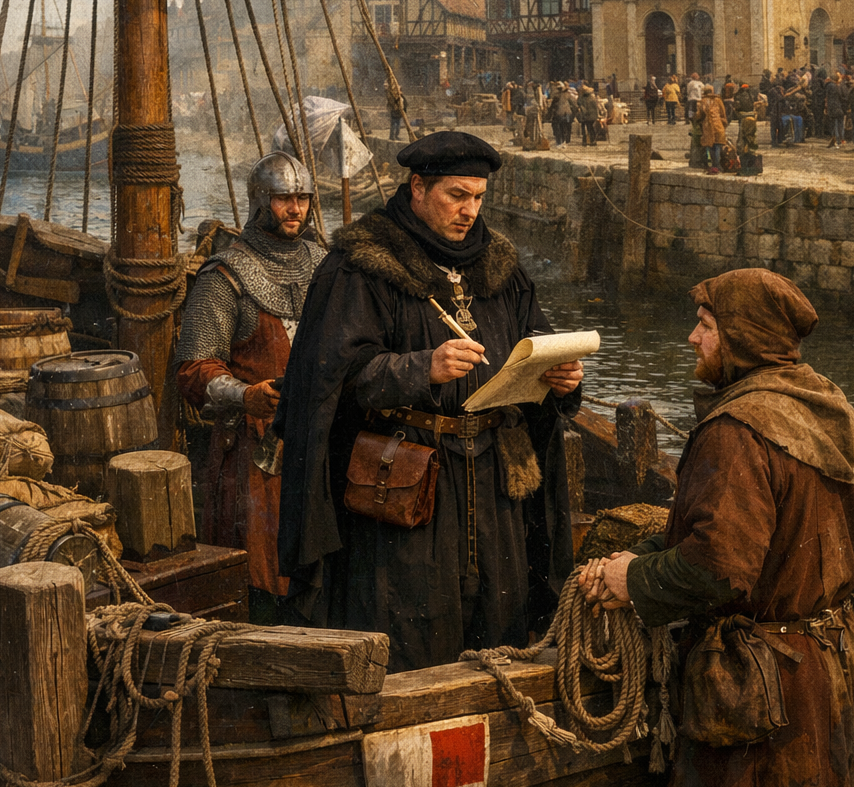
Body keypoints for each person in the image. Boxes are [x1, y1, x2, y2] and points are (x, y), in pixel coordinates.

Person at [579, 269, 854, 787]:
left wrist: (630, 577)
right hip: (832, 677)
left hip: (761, 699)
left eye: (706, 324)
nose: (692, 336)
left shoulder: (736, 429)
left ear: (741, 337)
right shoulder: (835, 409)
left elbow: (716, 570)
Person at [275, 132, 583, 673]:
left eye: (479, 198)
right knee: (409, 627)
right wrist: (422, 367)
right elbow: (330, 379)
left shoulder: (501, 267)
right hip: (406, 481)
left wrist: (562, 379)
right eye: (456, 196)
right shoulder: (363, 266)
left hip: (493, 485)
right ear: (418, 188)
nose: (470, 211)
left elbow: (537, 344)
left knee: (499, 621)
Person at [176, 153, 327, 620]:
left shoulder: (325, 265)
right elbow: (193, 369)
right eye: (285, 198)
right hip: (255, 451)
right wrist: (245, 395)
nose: (295, 209)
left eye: (302, 198)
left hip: (320, 441)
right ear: (262, 200)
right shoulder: (227, 275)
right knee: (261, 575)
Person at [699, 85, 727, 172]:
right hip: (718, 125)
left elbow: (699, 115)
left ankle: (712, 165)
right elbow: (723, 113)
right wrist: (724, 123)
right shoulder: (718, 100)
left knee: (709, 146)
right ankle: (718, 165)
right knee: (718, 145)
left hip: (707, 126)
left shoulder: (702, 101)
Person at [547, 82, 576, 146]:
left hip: (559, 113)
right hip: (567, 113)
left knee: (558, 127)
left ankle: (560, 141)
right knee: (566, 127)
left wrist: (549, 114)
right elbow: (573, 104)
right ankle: (565, 140)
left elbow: (552, 106)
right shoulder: (568, 95)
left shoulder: (556, 96)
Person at [825, 73, 847, 148]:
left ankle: (835, 140)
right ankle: (841, 139)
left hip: (832, 107)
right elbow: (842, 96)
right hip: (839, 106)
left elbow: (827, 97)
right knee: (840, 124)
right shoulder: (839, 86)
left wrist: (826, 107)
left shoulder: (829, 86)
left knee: (834, 124)